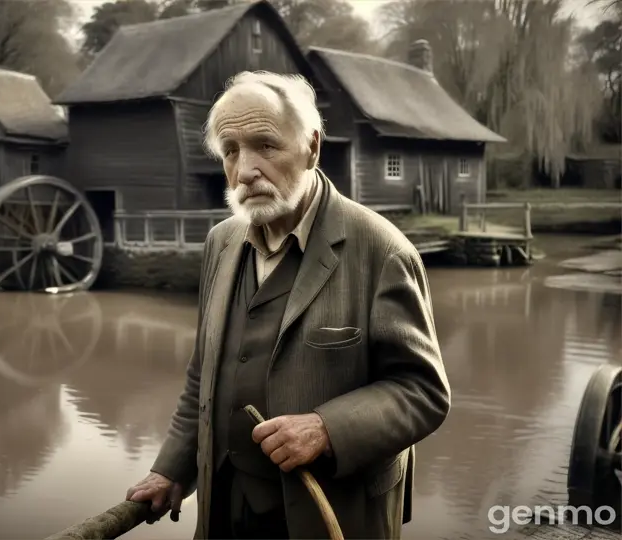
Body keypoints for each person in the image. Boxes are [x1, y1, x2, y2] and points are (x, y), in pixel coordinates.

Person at [126, 70, 451, 539]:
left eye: (266, 146)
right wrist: (171, 469)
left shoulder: (382, 251)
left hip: (332, 514)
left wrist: (326, 428)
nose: (244, 170)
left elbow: (423, 392)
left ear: (313, 148)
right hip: (227, 510)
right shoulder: (221, 242)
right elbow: (204, 373)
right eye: (231, 151)